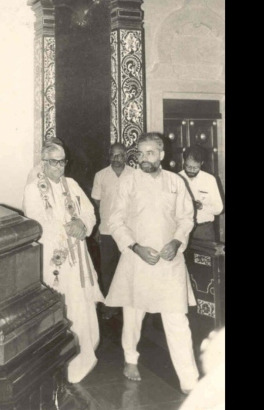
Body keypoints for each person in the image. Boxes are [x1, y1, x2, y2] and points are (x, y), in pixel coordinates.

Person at [104, 132, 199, 394]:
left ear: (162, 155)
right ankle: (130, 360)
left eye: (150, 153)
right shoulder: (129, 182)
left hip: (170, 262)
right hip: (138, 260)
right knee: (133, 315)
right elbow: (116, 221)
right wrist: (135, 247)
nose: (144, 158)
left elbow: (186, 219)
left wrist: (177, 242)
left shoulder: (175, 182)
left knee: (177, 319)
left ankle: (189, 378)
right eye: (140, 153)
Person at [23, 141, 104, 384]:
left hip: (77, 257)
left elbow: (89, 212)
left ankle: (82, 357)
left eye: (63, 161)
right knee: (60, 302)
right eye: (54, 162)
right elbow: (36, 220)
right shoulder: (33, 189)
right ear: (44, 162)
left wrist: (83, 224)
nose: (59, 167)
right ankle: (59, 364)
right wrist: (70, 227)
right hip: (54, 260)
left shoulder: (73, 185)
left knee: (79, 303)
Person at [91, 141, 131, 297]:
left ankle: (126, 303)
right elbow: (97, 201)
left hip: (128, 230)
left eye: (120, 155)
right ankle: (110, 305)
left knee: (127, 267)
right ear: (109, 156)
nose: (116, 158)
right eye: (113, 155)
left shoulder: (135, 175)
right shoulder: (100, 175)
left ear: (125, 156)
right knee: (108, 268)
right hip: (107, 230)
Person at [180, 145, 224, 242]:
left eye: (195, 168)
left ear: (201, 163)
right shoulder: (176, 179)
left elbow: (219, 208)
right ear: (183, 161)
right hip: (182, 230)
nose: (191, 170)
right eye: (188, 166)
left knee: (205, 257)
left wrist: (201, 206)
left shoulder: (210, 180)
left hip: (204, 230)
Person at [180, 328, 225, 410]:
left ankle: (188, 383)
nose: (204, 344)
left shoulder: (210, 384)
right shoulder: (208, 384)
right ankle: (188, 383)